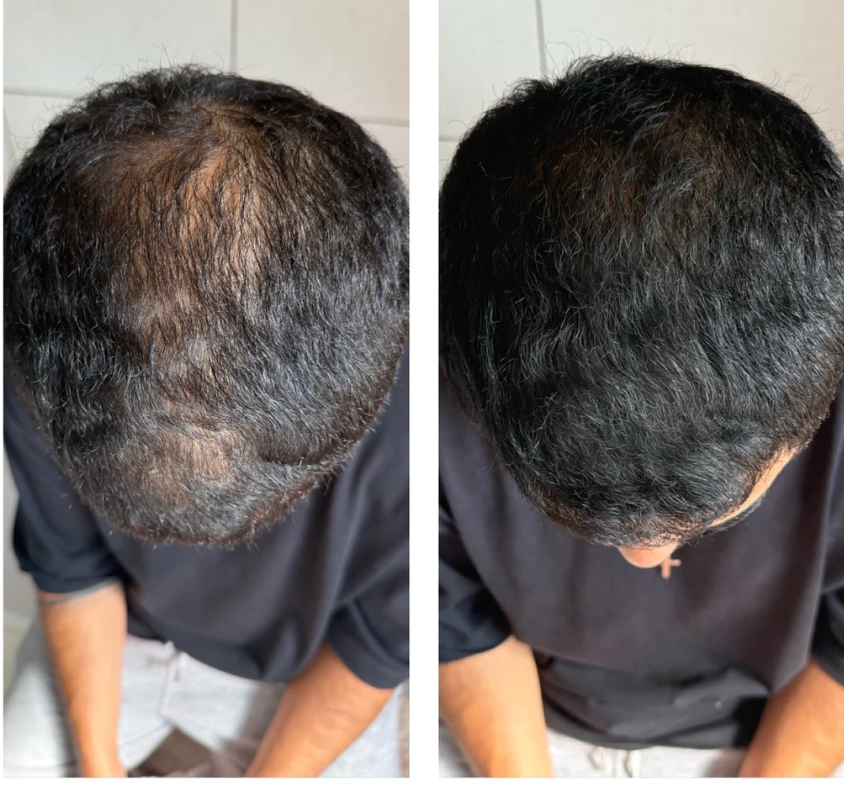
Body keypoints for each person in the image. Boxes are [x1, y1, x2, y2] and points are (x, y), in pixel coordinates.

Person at [438, 55, 844, 777]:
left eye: (696, 520)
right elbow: (451, 618)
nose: (645, 561)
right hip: (526, 714)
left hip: (778, 731)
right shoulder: (448, 360)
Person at [3, 66, 409, 777]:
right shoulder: (46, 335)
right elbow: (72, 569)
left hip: (312, 666)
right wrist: (98, 765)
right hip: (122, 636)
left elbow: (380, 640)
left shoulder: (429, 418)